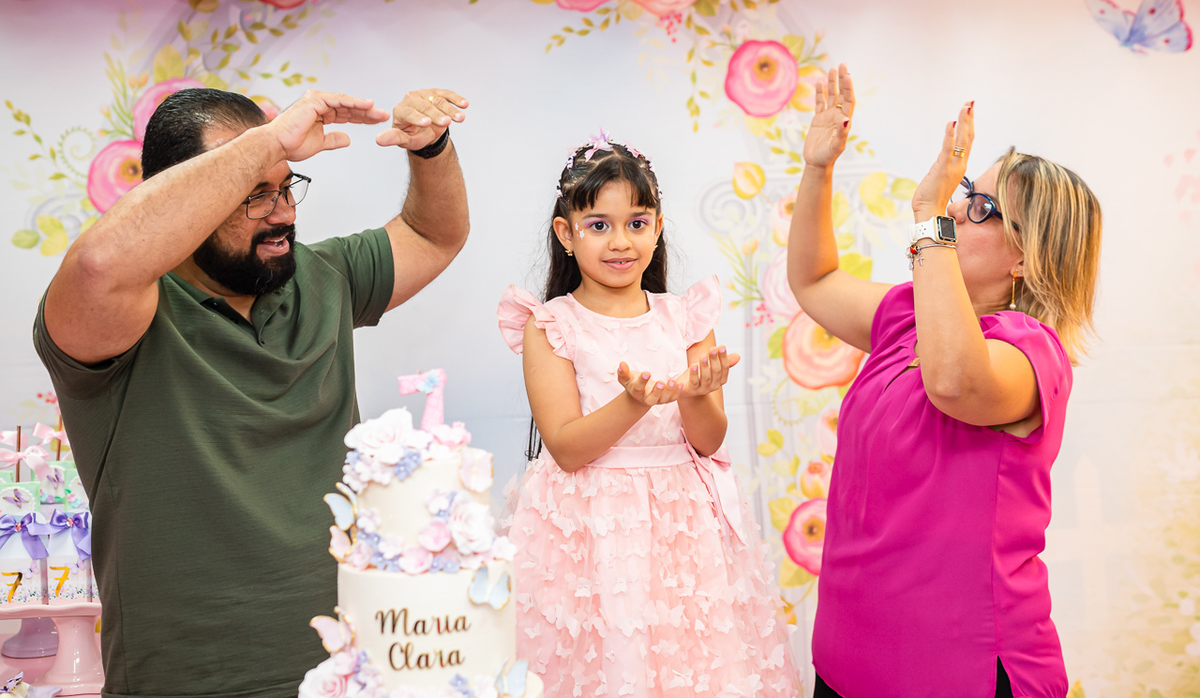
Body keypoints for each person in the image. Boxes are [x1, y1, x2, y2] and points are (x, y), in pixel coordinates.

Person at [32, 87, 470, 698]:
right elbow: (100, 265)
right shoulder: (126, 315)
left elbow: (433, 234)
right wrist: (267, 141)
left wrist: (433, 149)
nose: (284, 212)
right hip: (189, 680)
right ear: (185, 193)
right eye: (252, 194)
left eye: (286, 186)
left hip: (348, 670)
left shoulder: (325, 277)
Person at [787, 65, 1102, 698]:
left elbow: (954, 383)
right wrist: (818, 168)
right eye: (963, 192)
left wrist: (929, 218)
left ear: (1025, 257)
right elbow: (816, 282)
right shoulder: (907, 315)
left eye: (978, 206)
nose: (957, 206)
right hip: (850, 666)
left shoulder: (1030, 352)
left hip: (966, 673)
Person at [496, 135, 800, 697]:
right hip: (588, 526)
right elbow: (565, 446)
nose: (621, 241)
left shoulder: (685, 317)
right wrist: (633, 402)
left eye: (637, 223)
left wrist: (693, 393)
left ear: (657, 227)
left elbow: (708, 441)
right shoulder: (550, 324)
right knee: (604, 665)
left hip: (683, 528)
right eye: (598, 225)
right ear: (567, 233)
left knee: (691, 664)